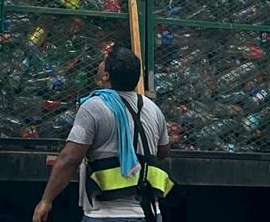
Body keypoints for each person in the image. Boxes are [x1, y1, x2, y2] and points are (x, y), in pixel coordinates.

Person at [33, 47, 174, 222]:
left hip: (106, 215)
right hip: (149, 213)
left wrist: (46, 201)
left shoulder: (94, 106)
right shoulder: (153, 109)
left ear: (106, 75)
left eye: (102, 62)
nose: (99, 64)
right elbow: (163, 152)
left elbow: (70, 159)